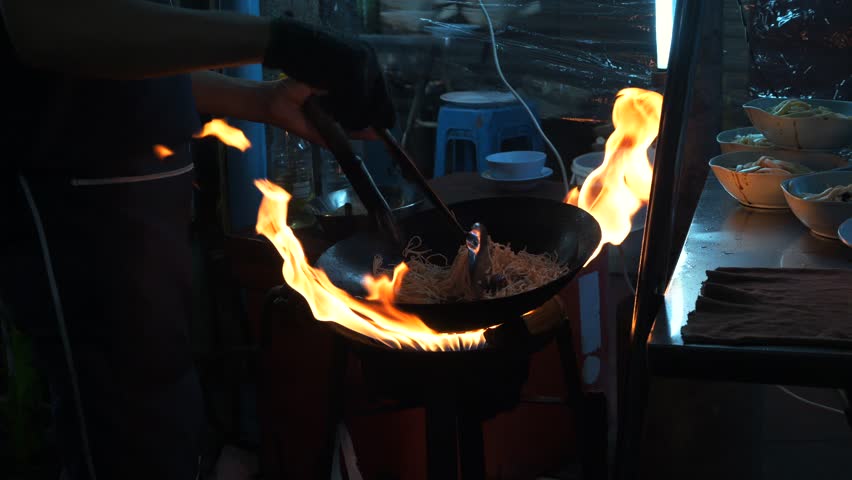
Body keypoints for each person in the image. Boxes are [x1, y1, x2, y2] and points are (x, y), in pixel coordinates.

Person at [0, 1, 395, 479]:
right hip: (73, 199)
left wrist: (261, 100)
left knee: (165, 417)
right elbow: (45, 22)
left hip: (138, 194)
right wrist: (281, 40)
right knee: (122, 435)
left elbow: (122, 50)